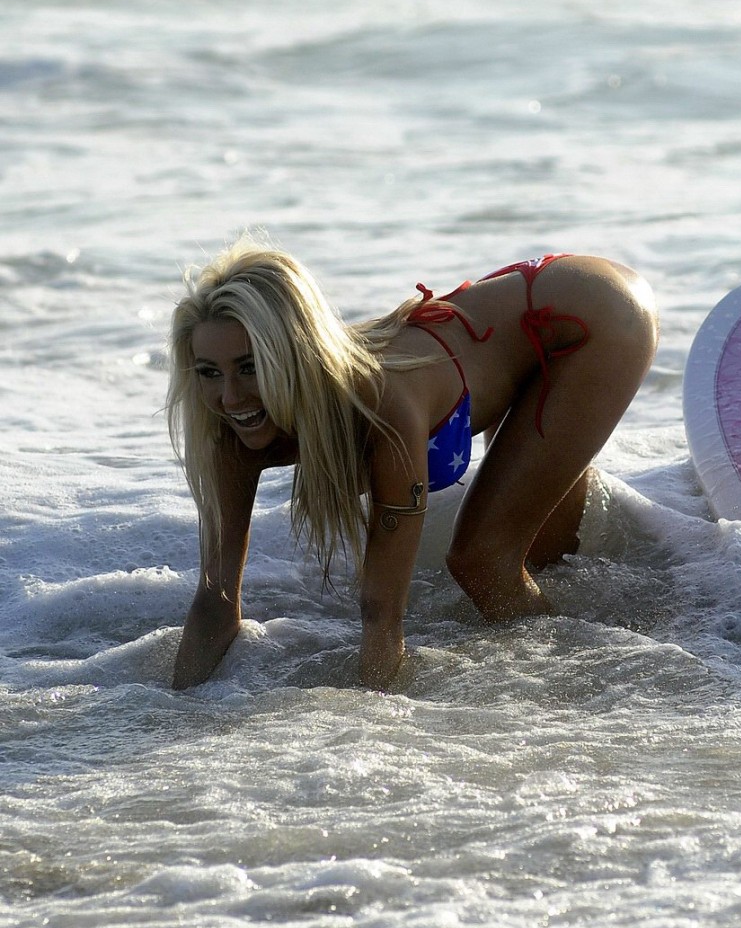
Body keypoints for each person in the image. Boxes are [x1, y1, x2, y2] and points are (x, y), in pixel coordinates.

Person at [166, 240, 659, 689]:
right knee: (550, 563)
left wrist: (377, 738)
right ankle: (604, 613)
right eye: (209, 372)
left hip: (593, 317)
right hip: (512, 318)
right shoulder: (227, 436)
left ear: (294, 354)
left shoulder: (381, 409)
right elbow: (216, 602)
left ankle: (581, 687)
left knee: (483, 562)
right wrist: (173, 713)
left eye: (249, 367)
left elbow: (382, 615)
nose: (230, 398)